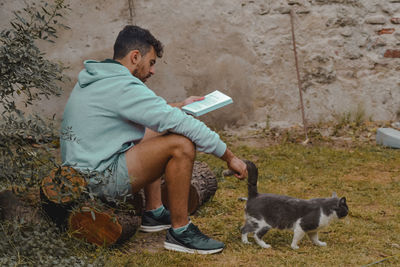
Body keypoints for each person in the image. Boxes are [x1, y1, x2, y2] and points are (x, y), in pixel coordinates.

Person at [60, 25, 247, 254]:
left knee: (157, 129)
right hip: (98, 180)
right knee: (181, 143)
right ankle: (180, 233)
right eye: (151, 63)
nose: (152, 71)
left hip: (85, 173)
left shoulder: (102, 78)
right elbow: (178, 123)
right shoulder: (123, 86)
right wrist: (229, 157)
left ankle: (154, 213)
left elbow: (154, 113)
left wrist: (181, 106)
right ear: (135, 57)